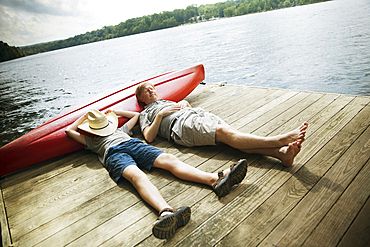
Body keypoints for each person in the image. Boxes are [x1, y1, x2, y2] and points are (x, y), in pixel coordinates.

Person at [65, 109, 248, 239]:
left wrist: (114, 111)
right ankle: (166, 212)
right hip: (114, 154)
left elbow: (136, 115)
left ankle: (214, 180)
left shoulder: (120, 130)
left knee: (169, 160)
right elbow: (69, 131)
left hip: (132, 145)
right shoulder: (90, 140)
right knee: (137, 176)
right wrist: (84, 116)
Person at [135, 82, 308, 167]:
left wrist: (185, 103)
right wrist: (160, 115)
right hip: (181, 125)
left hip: (196, 114)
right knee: (226, 134)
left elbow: (184, 105)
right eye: (147, 91)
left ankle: (281, 155)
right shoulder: (145, 114)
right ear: (141, 99)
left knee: (232, 137)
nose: (152, 91)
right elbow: (149, 137)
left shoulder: (165, 100)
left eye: (152, 88)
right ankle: (278, 140)